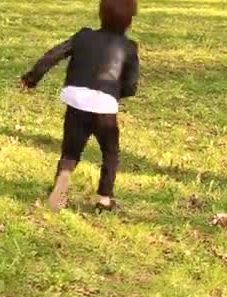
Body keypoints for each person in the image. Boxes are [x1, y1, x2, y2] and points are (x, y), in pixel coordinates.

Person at [18, 0, 139, 212]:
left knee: (71, 149)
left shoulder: (83, 36)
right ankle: (104, 198)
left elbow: (53, 55)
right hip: (104, 106)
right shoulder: (128, 47)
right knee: (110, 152)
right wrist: (121, 94)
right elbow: (130, 83)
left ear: (101, 14)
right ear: (130, 20)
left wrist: (31, 78)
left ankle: (63, 176)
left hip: (76, 100)